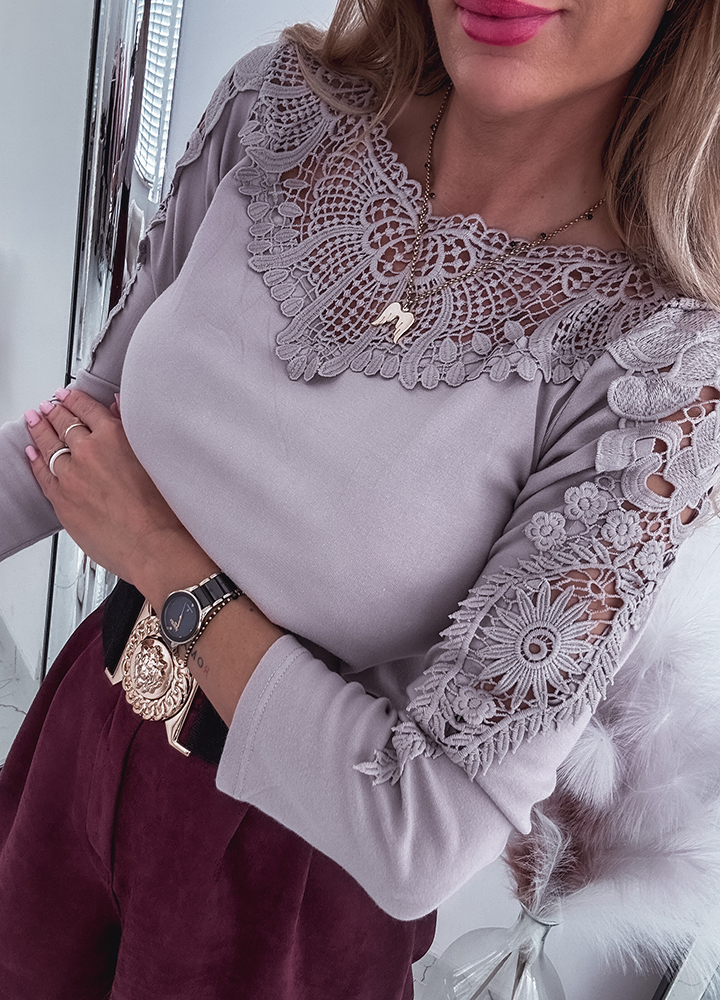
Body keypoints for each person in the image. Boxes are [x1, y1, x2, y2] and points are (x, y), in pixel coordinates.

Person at [1, 0, 719, 996]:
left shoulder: (658, 365)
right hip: (76, 733)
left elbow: (420, 830)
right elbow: (88, 425)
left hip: (281, 893)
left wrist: (161, 559)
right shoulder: (277, 105)